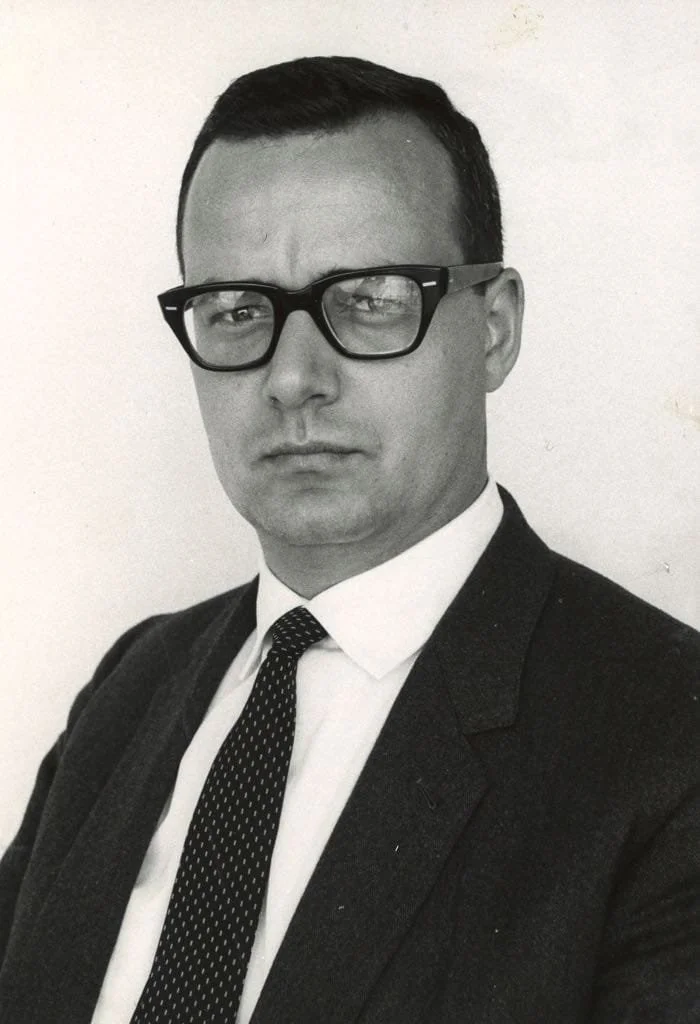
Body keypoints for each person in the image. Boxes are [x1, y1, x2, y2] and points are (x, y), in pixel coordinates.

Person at [0, 55, 698, 1024]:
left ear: (493, 330)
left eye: (369, 299)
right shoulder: (132, 685)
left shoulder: (668, 738)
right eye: (237, 310)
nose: (293, 377)